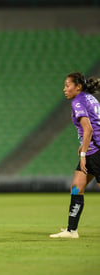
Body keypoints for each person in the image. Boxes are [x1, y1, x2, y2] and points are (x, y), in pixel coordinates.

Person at [50, 73, 100, 239]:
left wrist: (84, 154)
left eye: (67, 85)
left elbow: (89, 129)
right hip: (93, 150)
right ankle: (72, 231)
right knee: (76, 188)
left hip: (95, 153)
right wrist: (84, 146)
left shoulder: (78, 101)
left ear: (78, 87)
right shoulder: (90, 98)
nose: (64, 89)